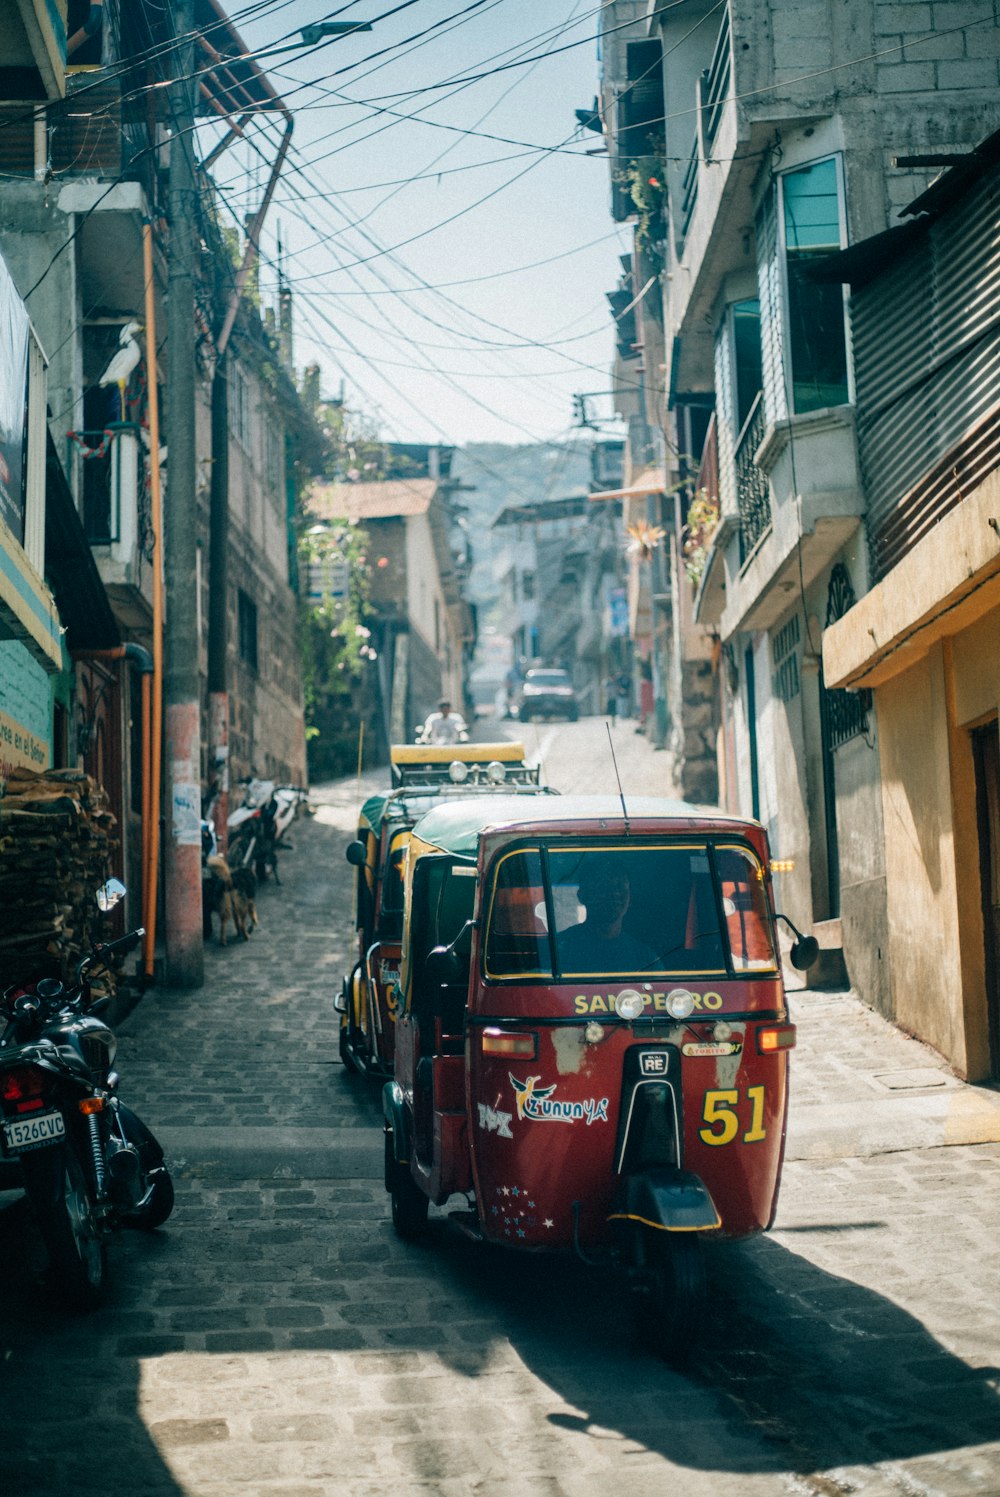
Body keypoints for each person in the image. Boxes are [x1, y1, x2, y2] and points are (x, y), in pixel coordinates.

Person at [557, 860, 660, 971]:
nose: (615, 893)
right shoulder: (559, 949)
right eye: (604, 886)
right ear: (582, 896)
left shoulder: (645, 957)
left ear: (630, 898)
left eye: (620, 886)